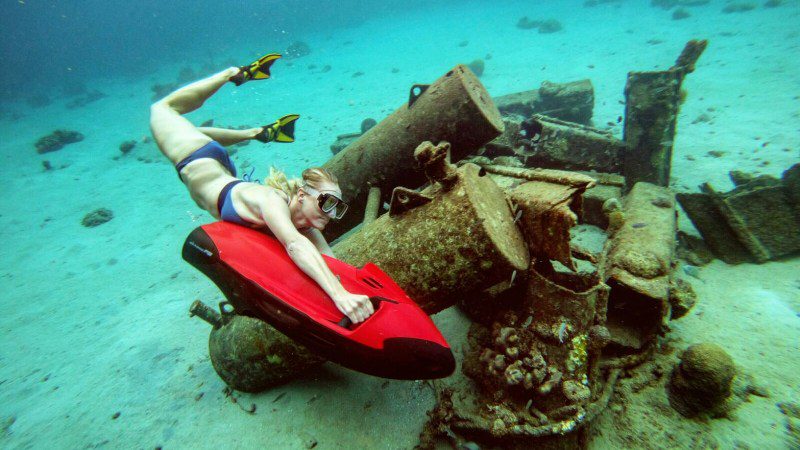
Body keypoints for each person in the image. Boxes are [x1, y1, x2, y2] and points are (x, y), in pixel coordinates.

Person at [149, 53, 374, 323]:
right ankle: (234, 72)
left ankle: (257, 133)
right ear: (302, 195)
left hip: (219, 171)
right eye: (326, 202)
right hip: (196, 158)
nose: (330, 212)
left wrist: (353, 287)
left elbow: (329, 259)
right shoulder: (271, 200)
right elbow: (294, 246)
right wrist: (339, 296)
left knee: (192, 129)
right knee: (162, 109)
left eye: (337, 207)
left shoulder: (305, 222)